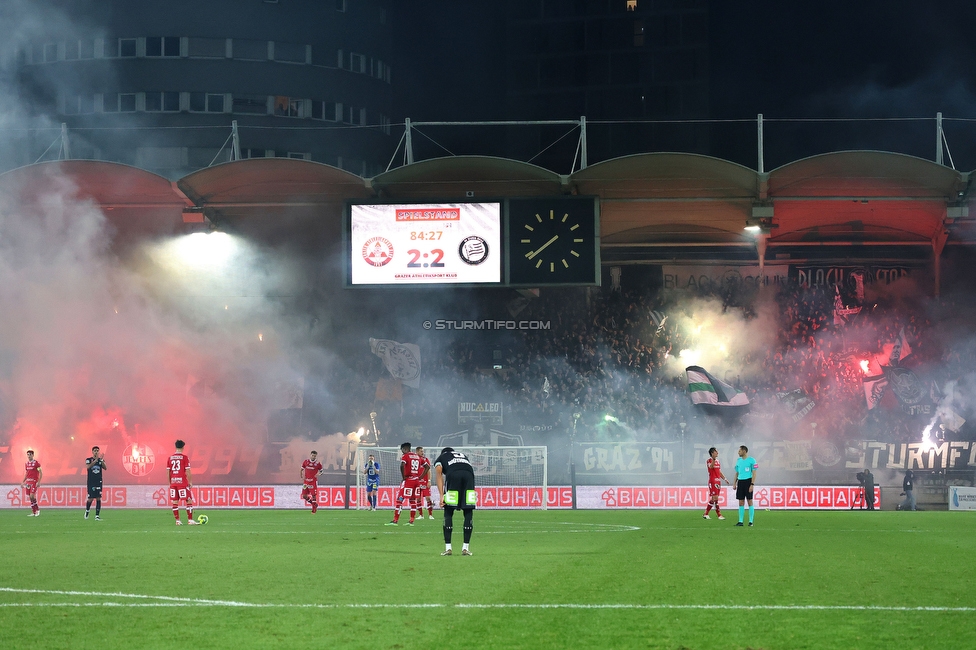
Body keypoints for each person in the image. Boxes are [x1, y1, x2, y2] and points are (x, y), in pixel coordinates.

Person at [434, 446, 476, 556]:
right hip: (469, 476)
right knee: (468, 511)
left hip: (453, 475)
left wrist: (441, 495)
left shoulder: (442, 457)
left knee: (448, 510)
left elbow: (439, 473)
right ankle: (465, 548)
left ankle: (448, 548)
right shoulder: (463, 456)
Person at [386, 442, 427, 526]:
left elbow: (402, 465)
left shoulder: (406, 456)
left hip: (408, 481)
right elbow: (427, 467)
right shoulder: (418, 457)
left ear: (405, 449)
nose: (402, 452)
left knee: (399, 500)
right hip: (416, 481)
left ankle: (395, 520)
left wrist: (404, 477)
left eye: (402, 450)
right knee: (412, 500)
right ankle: (411, 521)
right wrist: (420, 477)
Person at [168, 439, 199, 525]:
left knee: (175, 502)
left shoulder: (170, 458)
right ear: (183, 447)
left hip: (173, 482)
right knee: (188, 500)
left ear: (175, 446)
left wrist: (170, 483)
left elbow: (168, 472)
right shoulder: (184, 458)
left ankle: (177, 521)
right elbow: (188, 471)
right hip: (182, 482)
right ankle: (190, 520)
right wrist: (190, 482)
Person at [733, 445, 758, 527]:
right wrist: (734, 483)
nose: (738, 452)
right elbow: (737, 472)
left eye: (739, 451)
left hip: (748, 481)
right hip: (740, 482)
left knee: (749, 501)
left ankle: (751, 521)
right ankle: (740, 521)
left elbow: (754, 473)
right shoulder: (738, 460)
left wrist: (752, 484)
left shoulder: (752, 460)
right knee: (741, 502)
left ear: (744, 451)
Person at [702, 447, 730, 520]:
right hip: (713, 481)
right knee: (715, 498)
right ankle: (719, 515)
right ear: (712, 453)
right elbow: (711, 467)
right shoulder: (709, 460)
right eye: (716, 451)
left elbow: (719, 471)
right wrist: (713, 459)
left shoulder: (718, 461)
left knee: (714, 499)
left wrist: (725, 478)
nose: (717, 452)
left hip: (718, 481)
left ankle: (706, 514)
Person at [85, 446, 107, 520]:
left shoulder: (100, 460)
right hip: (91, 482)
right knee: (90, 498)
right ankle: (87, 510)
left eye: (97, 450)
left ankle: (97, 516)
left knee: (98, 498)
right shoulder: (89, 460)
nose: (96, 452)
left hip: (98, 481)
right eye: (95, 450)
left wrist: (101, 460)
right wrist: (95, 460)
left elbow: (105, 468)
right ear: (92, 452)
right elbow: (88, 467)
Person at [21, 449, 42, 517]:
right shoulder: (26, 464)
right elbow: (27, 473)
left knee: (32, 496)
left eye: (30, 454)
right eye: (28, 455)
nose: (29, 456)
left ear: (33, 455)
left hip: (34, 481)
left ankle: (37, 510)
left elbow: (40, 472)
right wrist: (23, 481)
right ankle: (34, 512)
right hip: (28, 482)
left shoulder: (36, 463)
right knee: (30, 497)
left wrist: (39, 482)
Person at [416, 446, 434, 519]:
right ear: (417, 452)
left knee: (428, 498)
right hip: (417, 482)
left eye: (423, 451)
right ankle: (421, 515)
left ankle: (430, 515)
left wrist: (429, 481)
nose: (422, 453)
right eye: (421, 451)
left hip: (425, 482)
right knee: (418, 499)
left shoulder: (425, 460)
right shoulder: (414, 460)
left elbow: (429, 470)